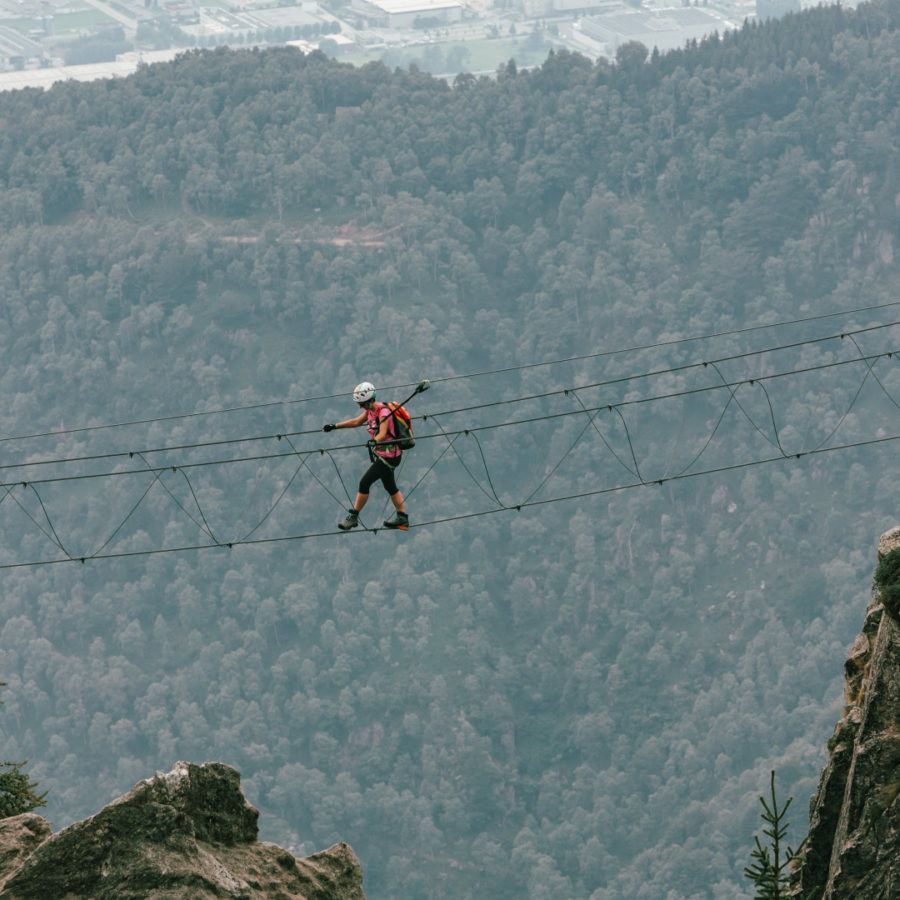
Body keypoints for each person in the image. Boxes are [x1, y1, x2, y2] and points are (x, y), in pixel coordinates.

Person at [323, 381, 409, 531]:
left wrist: (373, 441)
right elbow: (356, 422)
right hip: (384, 455)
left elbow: (382, 434)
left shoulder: (383, 412)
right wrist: (334, 426)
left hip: (389, 456)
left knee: (364, 483)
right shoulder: (370, 411)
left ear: (370, 401)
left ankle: (354, 516)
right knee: (390, 486)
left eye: (362, 404)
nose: (360, 407)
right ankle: (402, 518)